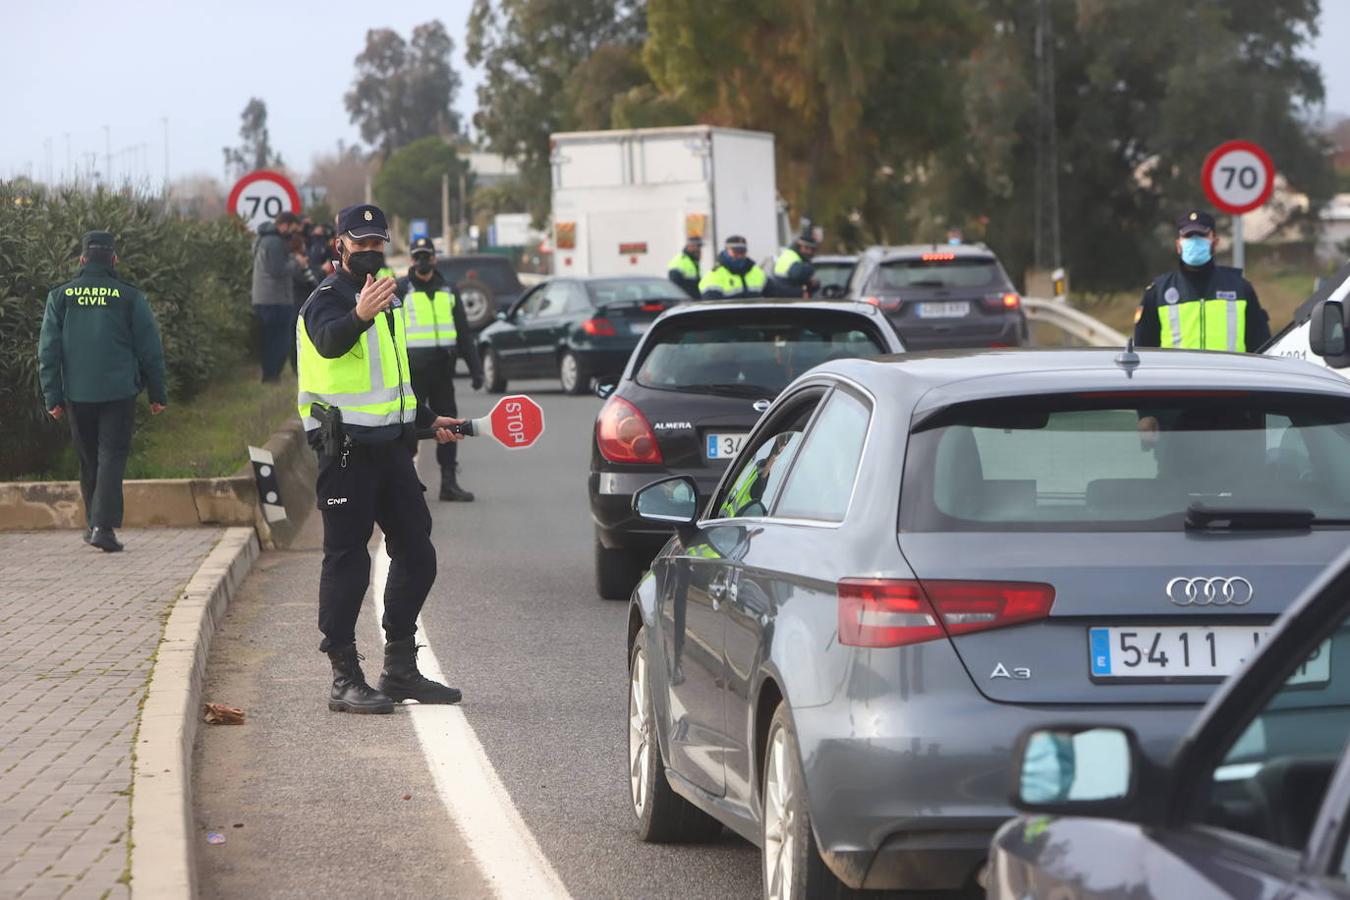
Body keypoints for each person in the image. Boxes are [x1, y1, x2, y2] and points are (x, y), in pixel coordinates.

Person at [297, 203, 464, 714]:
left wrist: (426, 418)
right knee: (347, 562)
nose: (369, 250)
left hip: (391, 448)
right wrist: (358, 315)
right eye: (359, 241)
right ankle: (344, 678)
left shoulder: (389, 296)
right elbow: (328, 344)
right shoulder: (326, 299)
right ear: (339, 246)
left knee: (418, 552)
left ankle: (398, 668)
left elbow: (392, 377)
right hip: (344, 451)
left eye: (376, 241)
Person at [38, 231, 167, 553]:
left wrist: (52, 396)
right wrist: (157, 392)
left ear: (82, 259)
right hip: (119, 391)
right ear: (114, 259)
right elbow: (150, 348)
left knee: (89, 459)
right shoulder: (128, 297)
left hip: (77, 393)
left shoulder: (61, 296)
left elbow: (48, 351)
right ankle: (102, 527)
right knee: (111, 456)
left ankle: (92, 524)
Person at [397, 237, 485, 502]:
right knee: (409, 428)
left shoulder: (449, 289)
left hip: (443, 370)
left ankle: (449, 482)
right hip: (413, 372)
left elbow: (463, 333)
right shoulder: (401, 290)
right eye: (418, 256)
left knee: (450, 425)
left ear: (435, 258)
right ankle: (405, 485)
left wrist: (476, 369)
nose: (423, 261)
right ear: (411, 260)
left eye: (427, 256)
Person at [1134, 209, 1270, 353]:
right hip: (1177, 375)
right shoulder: (1158, 293)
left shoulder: (1240, 289)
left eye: (1201, 235)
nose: (1194, 241)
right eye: (1188, 236)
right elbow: (1143, 353)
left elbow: (1261, 347)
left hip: (1229, 374)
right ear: (1178, 245)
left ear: (1215, 242)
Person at [252, 210, 306, 382]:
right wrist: (297, 262)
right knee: (280, 339)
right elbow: (278, 270)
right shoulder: (275, 242)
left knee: (268, 338)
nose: (293, 234)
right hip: (276, 298)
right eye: (292, 229)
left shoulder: (261, 239)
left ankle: (270, 374)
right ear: (284, 225)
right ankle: (272, 375)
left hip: (263, 297)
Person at [698, 235, 767, 299]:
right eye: (736, 252)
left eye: (742, 252)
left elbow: (774, 297)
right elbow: (712, 307)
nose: (740, 256)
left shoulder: (757, 272)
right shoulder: (714, 276)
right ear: (726, 251)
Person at [767, 231, 819, 298]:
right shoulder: (793, 258)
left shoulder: (788, 254)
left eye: (812, 249)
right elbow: (797, 274)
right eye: (806, 248)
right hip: (787, 300)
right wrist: (800, 293)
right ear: (799, 246)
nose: (809, 251)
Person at [666, 235, 704, 299]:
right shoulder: (679, 261)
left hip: (693, 300)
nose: (699, 250)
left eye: (699, 247)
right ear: (689, 246)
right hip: (686, 301)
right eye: (697, 246)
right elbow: (676, 286)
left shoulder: (692, 261)